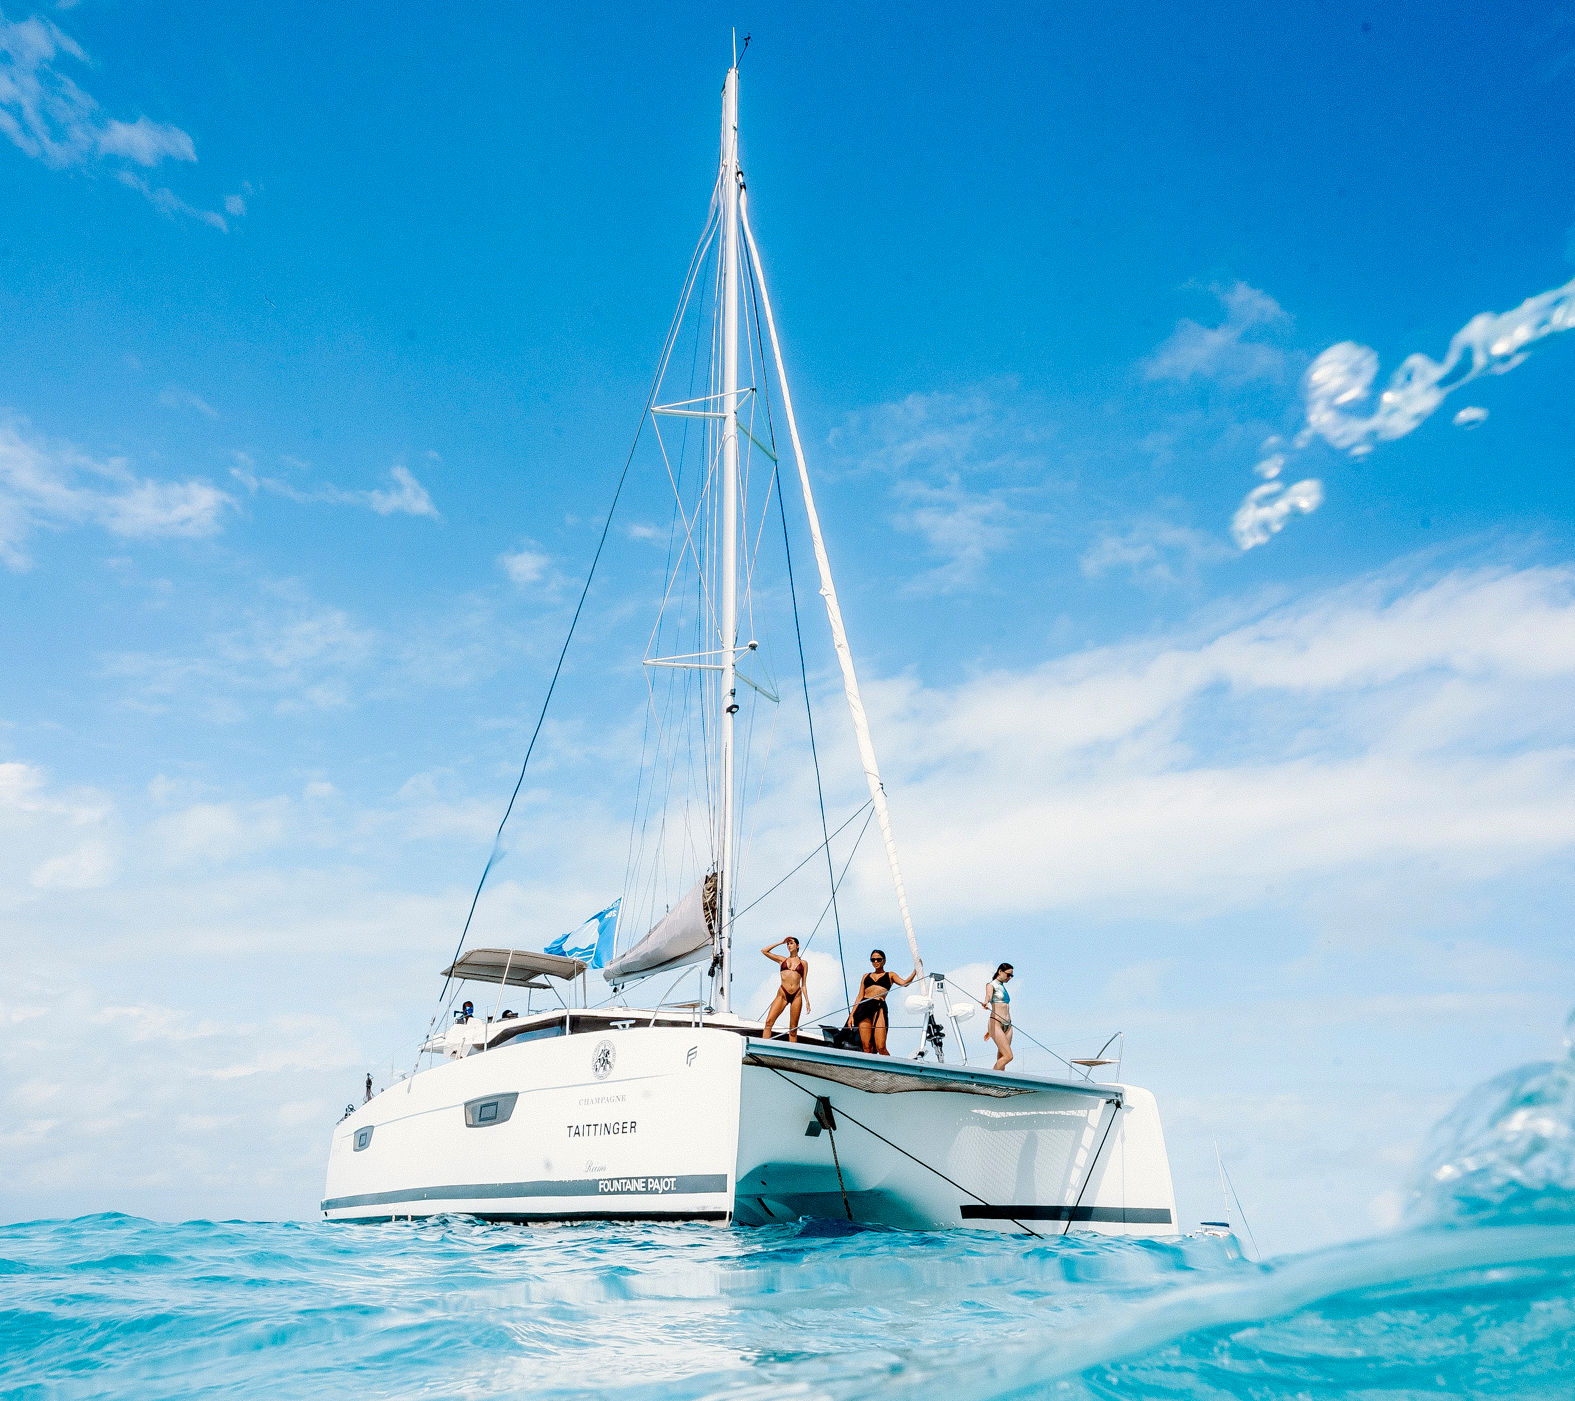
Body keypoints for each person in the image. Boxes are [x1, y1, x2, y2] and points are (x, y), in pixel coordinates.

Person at [846, 949, 916, 1055]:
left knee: (881, 1047)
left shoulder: (890, 975)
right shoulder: (866, 976)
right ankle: (869, 1069)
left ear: (884, 961)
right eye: (873, 960)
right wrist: (851, 1015)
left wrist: (916, 971)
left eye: (878, 959)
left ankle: (893, 1069)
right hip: (863, 1008)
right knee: (866, 1046)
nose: (875, 962)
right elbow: (859, 996)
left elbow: (905, 983)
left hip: (879, 1007)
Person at [760, 936, 810, 1041]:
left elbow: (804, 984)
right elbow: (764, 951)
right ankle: (764, 1047)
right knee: (769, 1022)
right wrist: (781, 942)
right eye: (787, 944)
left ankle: (793, 1056)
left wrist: (807, 1001)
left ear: (797, 945)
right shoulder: (782, 960)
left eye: (791, 943)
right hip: (783, 993)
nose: (789, 945)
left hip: (797, 995)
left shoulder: (804, 963)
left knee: (793, 1030)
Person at [984, 963, 1014, 1070]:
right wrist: (986, 1002)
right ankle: (989, 1079)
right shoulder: (991, 985)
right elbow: (988, 996)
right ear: (1000, 971)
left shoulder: (1002, 987)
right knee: (1009, 1056)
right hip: (996, 1023)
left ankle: (999, 1083)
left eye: (1012, 976)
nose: (1010, 978)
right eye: (1008, 975)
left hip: (1008, 1025)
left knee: (1002, 1057)